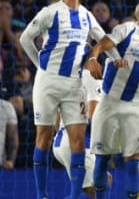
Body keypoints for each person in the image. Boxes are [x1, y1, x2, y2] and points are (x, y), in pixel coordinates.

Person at [19, 0, 105, 199]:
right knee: (43, 137)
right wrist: (40, 66)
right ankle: (41, 195)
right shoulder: (51, 12)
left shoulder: (87, 15)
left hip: (73, 84)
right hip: (47, 83)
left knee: (77, 139)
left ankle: (74, 196)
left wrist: (118, 59)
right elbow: (25, 38)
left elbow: (104, 39)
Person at [86, 1, 139, 198]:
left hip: (135, 106)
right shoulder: (127, 29)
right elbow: (100, 46)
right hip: (109, 102)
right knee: (101, 159)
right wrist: (93, 59)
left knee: (133, 162)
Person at [51, 69, 107, 197]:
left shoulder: (65, 75)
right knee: (98, 187)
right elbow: (94, 117)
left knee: (84, 190)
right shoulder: (92, 77)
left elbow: (56, 117)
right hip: (80, 144)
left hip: (60, 142)